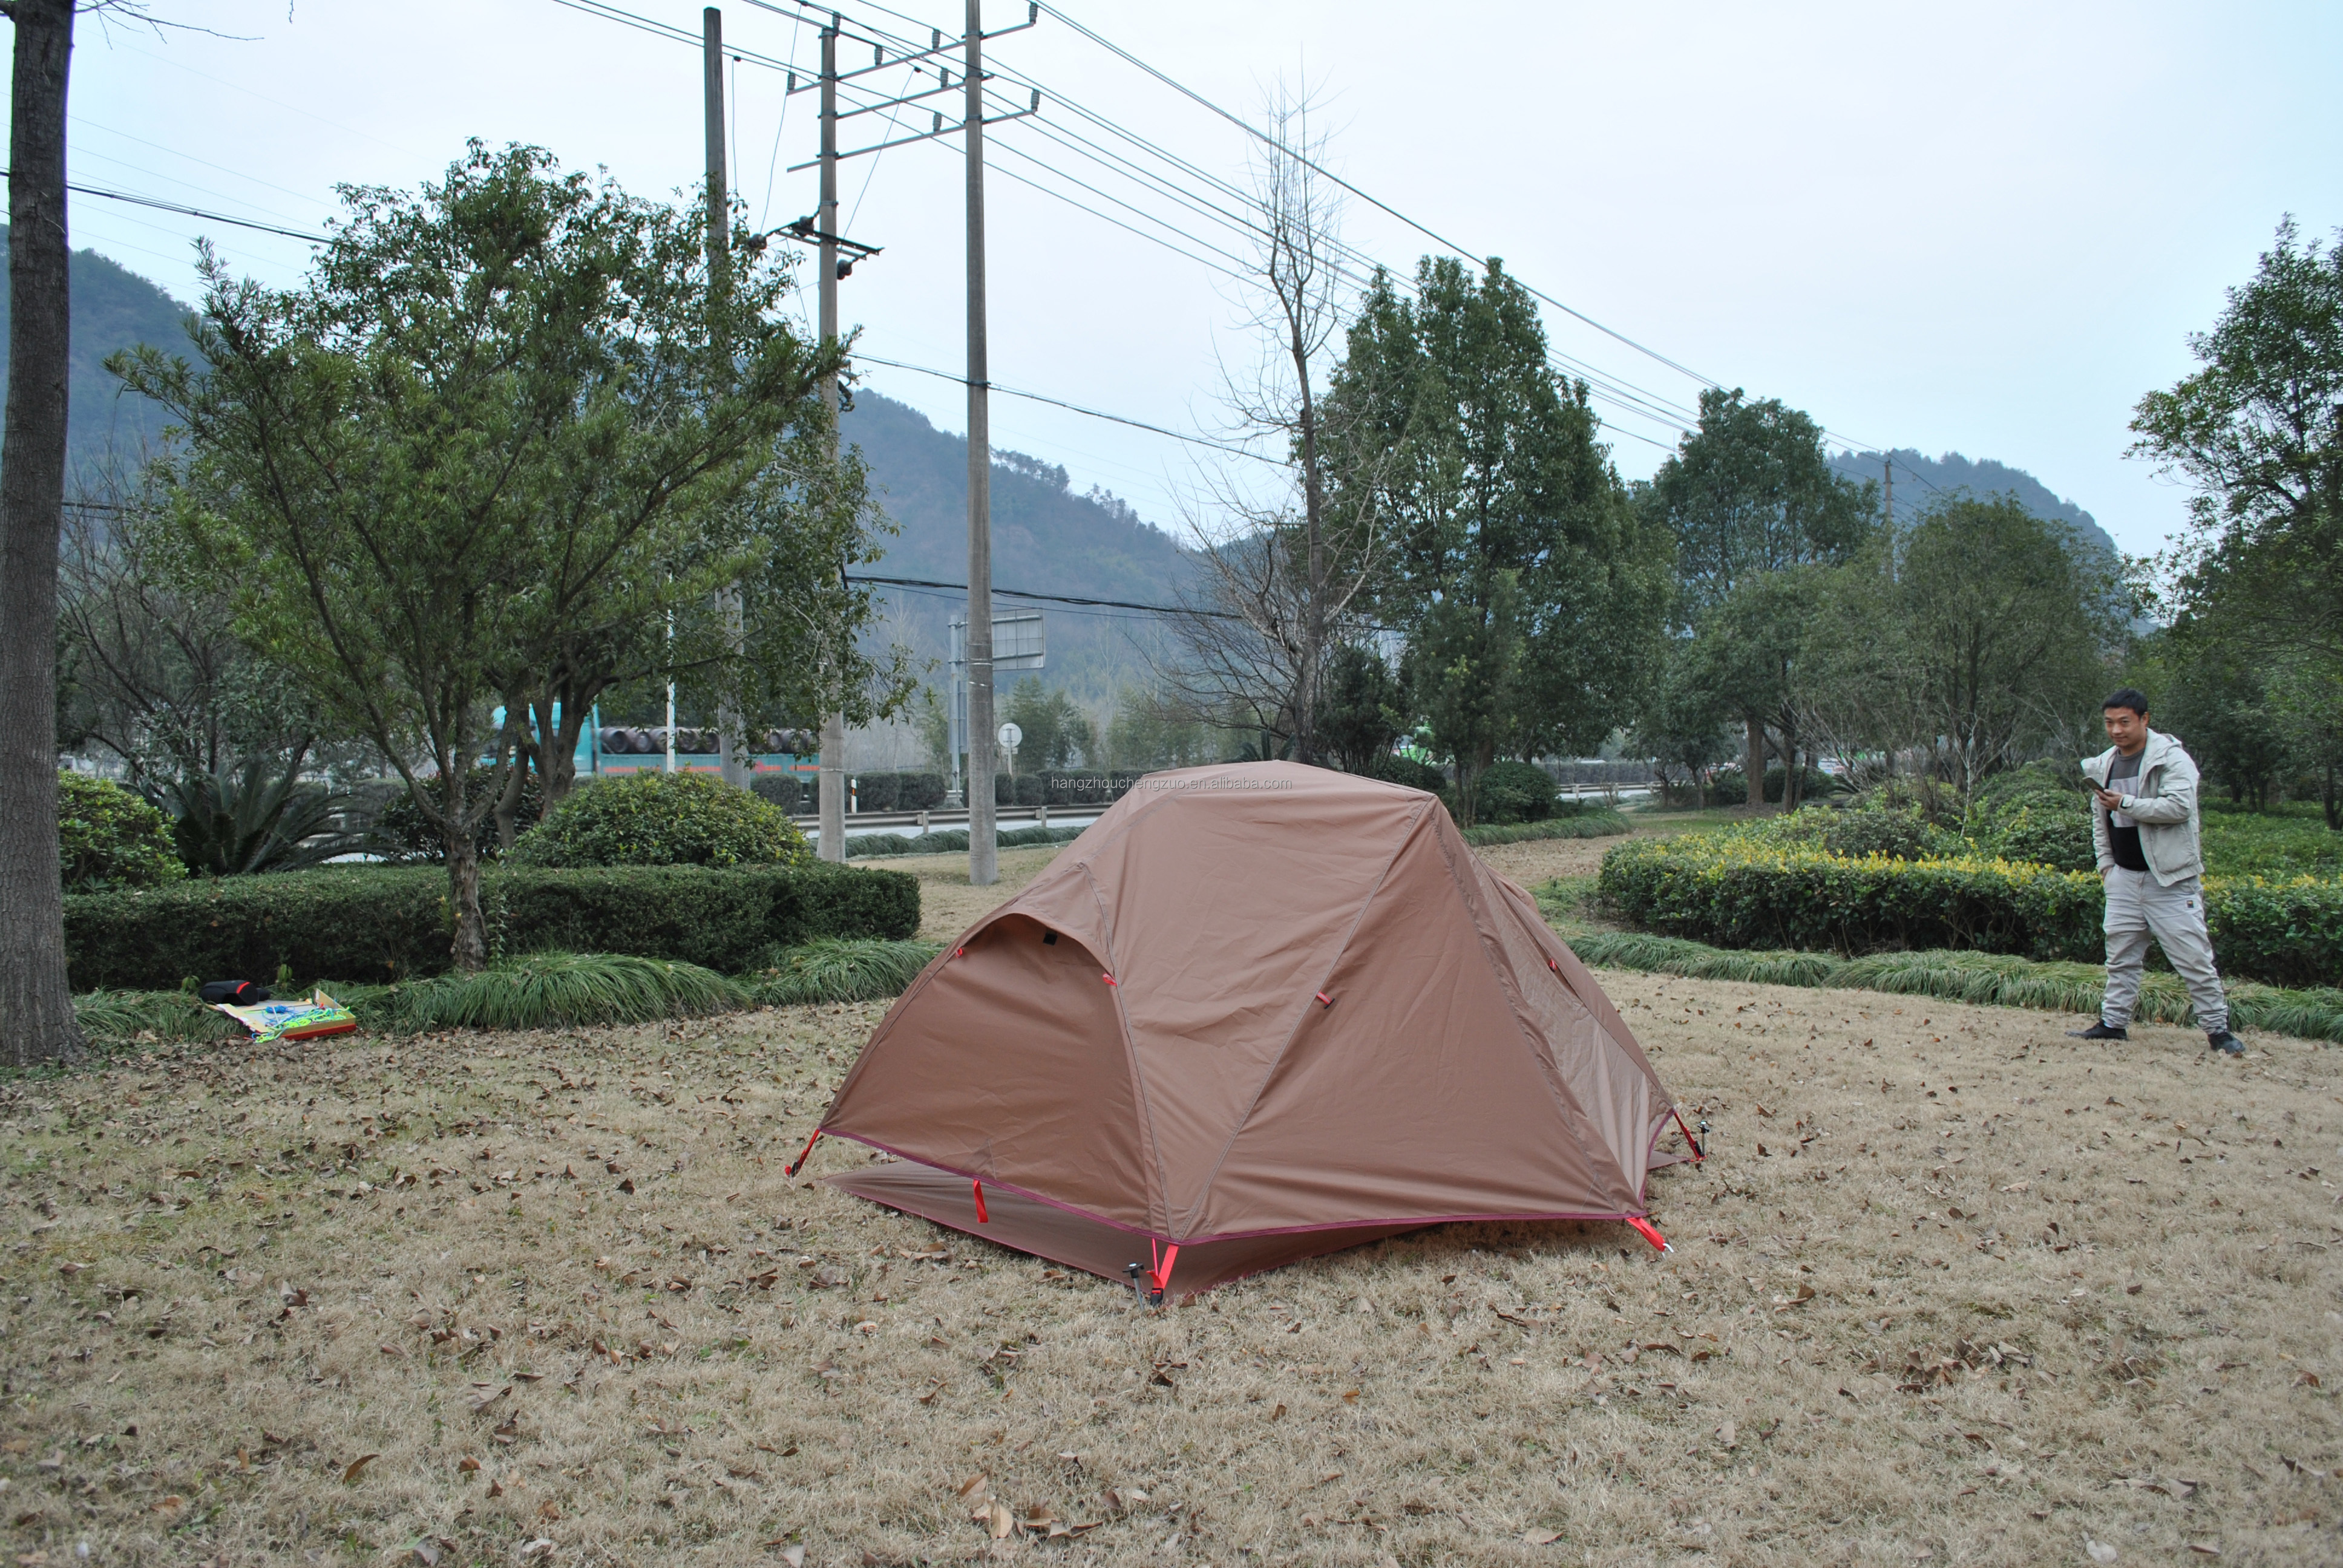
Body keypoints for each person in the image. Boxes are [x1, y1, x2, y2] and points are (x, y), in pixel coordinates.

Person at [2068, 688, 2242, 1056]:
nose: (2116, 730)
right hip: (2124, 877)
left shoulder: (2171, 758)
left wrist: (2126, 803)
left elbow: (2179, 807)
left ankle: (2218, 1032)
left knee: (2194, 959)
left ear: (2145, 719)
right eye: (2109, 723)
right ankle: (2113, 1024)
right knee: (2121, 957)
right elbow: (2101, 821)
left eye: (2124, 722)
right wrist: (2107, 866)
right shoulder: (2104, 764)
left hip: (2171, 880)